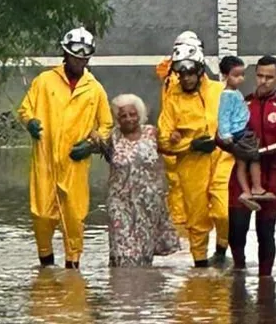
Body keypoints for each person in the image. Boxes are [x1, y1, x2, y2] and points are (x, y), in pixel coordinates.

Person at [18, 27, 112, 269]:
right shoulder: (44, 81)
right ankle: (46, 266)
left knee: (74, 216)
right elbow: (25, 109)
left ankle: (73, 269)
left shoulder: (95, 89)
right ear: (65, 54)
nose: (79, 61)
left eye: (84, 57)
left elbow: (106, 124)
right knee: (42, 215)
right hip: (45, 160)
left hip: (74, 163)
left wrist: (91, 145)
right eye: (74, 56)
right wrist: (31, 123)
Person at [219, 55, 276, 278]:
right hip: (241, 177)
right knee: (236, 230)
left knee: (266, 232)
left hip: (271, 177)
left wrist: (260, 153)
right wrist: (236, 148)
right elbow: (221, 132)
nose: (263, 81)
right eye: (260, 76)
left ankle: (266, 280)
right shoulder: (241, 102)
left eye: (269, 77)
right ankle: (239, 272)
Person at [157, 43, 227, 268]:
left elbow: (239, 123)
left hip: (222, 160)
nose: (185, 78)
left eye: (189, 73)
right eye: (181, 73)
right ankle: (200, 269)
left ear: (200, 69)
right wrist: (190, 145)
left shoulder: (220, 91)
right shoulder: (173, 100)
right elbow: (163, 139)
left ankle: (221, 250)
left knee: (223, 211)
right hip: (191, 165)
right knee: (196, 220)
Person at [104, 94, 180, 267]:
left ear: (139, 114)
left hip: (149, 205)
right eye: (123, 116)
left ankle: (144, 291)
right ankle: (120, 290)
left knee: (143, 254)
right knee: (123, 251)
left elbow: (171, 148)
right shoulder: (112, 137)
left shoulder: (152, 133)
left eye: (133, 114)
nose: (129, 119)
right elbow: (91, 141)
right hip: (120, 203)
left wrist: (176, 137)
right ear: (117, 118)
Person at [155, 31, 204, 237]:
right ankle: (182, 232)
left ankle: (186, 233)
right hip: (177, 139)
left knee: (190, 192)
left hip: (192, 141)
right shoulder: (174, 78)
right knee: (180, 189)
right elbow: (171, 107)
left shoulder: (180, 76)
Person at [217, 55, 274, 211]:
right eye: (236, 75)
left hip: (239, 132)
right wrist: (225, 134)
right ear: (225, 76)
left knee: (242, 163)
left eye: (242, 75)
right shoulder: (227, 95)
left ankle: (246, 192)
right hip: (239, 133)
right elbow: (223, 116)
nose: (240, 79)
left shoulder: (234, 93)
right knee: (254, 157)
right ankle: (255, 188)